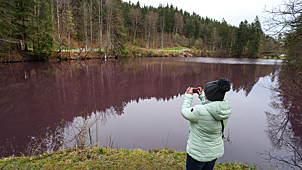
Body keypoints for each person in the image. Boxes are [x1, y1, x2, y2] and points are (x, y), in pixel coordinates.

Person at [181, 78, 231, 170]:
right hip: (213, 152)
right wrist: (202, 97)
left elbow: (184, 111)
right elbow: (212, 106)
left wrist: (189, 96)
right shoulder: (225, 109)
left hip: (198, 154)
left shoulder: (199, 111)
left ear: (208, 96)